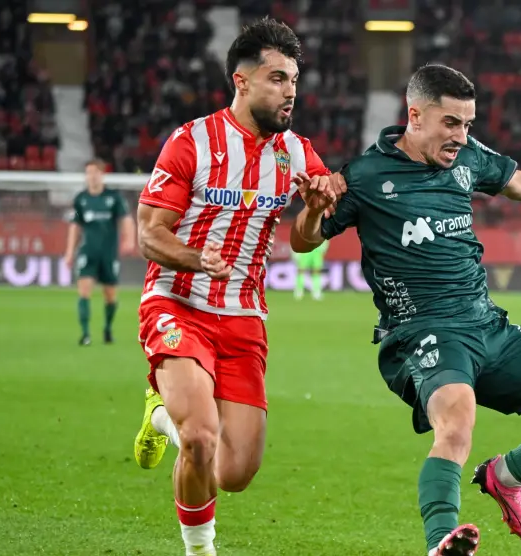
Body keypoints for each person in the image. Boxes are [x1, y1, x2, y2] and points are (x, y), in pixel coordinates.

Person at [289, 64, 521, 556]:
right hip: (422, 332)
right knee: (457, 425)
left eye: (467, 124)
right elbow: (303, 240)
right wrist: (314, 210)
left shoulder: (467, 156)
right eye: (451, 123)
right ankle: (440, 544)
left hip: (487, 325)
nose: (461, 136)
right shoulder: (365, 176)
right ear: (415, 116)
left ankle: (505, 477)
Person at [130, 18, 337, 556]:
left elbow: (306, 242)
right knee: (200, 438)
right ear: (241, 82)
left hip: (244, 316)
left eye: (294, 80)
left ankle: (160, 415)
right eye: (277, 78)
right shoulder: (192, 141)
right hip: (177, 303)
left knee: (234, 472)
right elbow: (149, 235)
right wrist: (196, 259)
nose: (290, 91)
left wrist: (315, 212)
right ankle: (200, 550)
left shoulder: (297, 153)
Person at [64, 158, 135, 346]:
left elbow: (126, 220)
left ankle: (107, 328)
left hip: (108, 253)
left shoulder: (114, 198)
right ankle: (85, 334)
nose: (92, 176)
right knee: (84, 292)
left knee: (110, 295)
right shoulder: (81, 199)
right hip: (88, 252)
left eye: (95, 172)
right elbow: (75, 226)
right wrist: (70, 252)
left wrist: (129, 240)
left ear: (102, 174)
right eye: (88, 172)